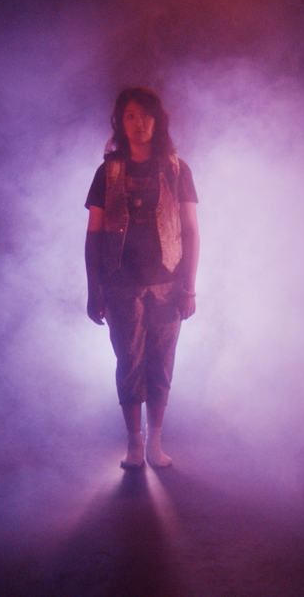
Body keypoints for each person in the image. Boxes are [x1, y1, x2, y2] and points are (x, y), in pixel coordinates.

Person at [84, 87, 200, 469]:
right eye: (131, 116)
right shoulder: (108, 171)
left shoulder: (176, 168)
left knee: (161, 362)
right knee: (128, 362)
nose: (139, 123)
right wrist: (93, 290)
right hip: (119, 283)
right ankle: (134, 445)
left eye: (146, 115)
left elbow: (191, 232)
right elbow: (93, 236)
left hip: (167, 283)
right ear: (121, 121)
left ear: (158, 120)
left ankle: (155, 444)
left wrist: (189, 287)